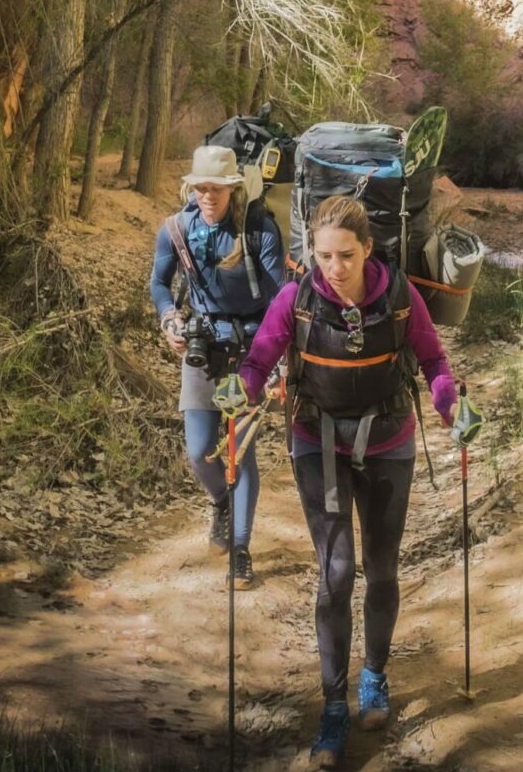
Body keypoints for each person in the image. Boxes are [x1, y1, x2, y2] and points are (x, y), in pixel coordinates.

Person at [236, 194, 457, 769]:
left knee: (382, 569)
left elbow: (434, 361)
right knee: (336, 573)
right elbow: (258, 361)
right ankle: (333, 708)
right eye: (324, 256)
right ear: (311, 251)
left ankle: (374, 678)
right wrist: (242, 389)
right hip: (319, 444)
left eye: (346, 256)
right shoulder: (296, 299)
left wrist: (450, 405)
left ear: (368, 250)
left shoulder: (401, 298)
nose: (334, 268)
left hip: (389, 444)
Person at [149, 144, 285, 589]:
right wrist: (169, 318)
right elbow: (159, 284)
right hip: (202, 347)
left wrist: (275, 358)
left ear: (233, 188)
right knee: (198, 450)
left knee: (239, 451)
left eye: (217, 188)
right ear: (192, 188)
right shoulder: (176, 229)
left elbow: (279, 299)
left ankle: (241, 552)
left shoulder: (258, 230)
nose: (208, 196)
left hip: (250, 352)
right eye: (201, 188)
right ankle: (222, 502)